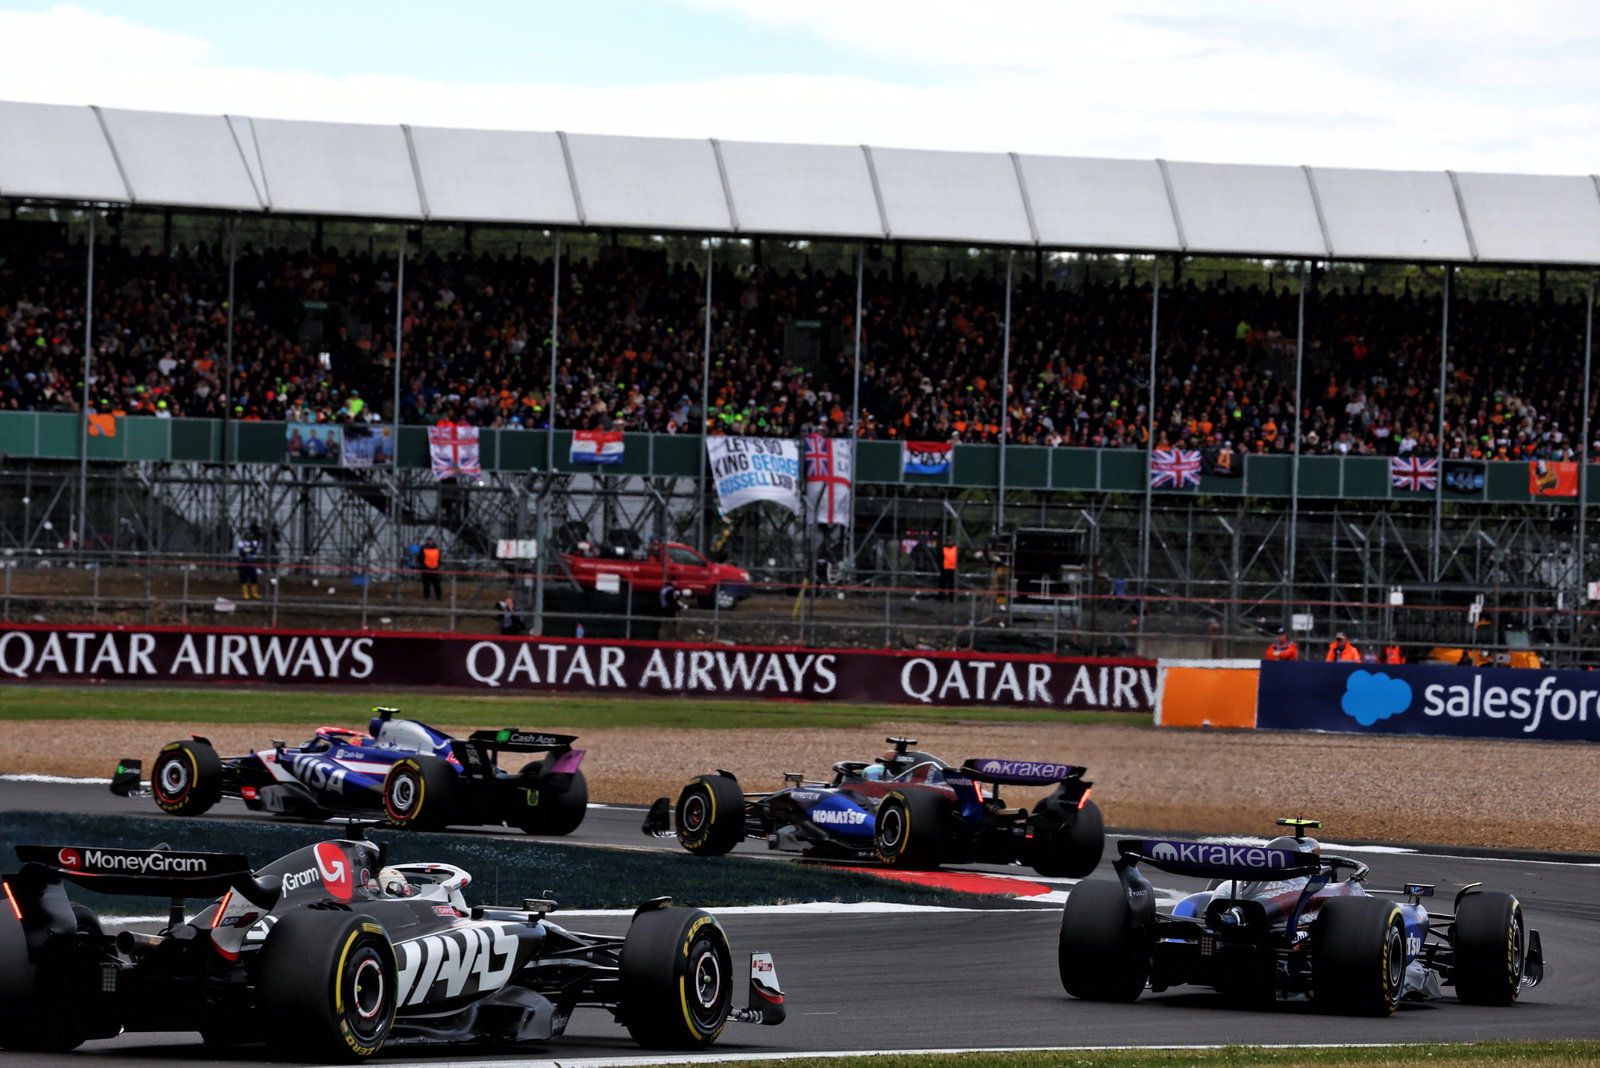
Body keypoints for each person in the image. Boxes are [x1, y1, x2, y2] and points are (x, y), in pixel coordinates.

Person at [236, 529, 262, 600]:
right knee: (243, 578)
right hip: (243, 562)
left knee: (254, 577)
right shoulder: (241, 542)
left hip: (252, 562)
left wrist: (247, 549)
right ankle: (245, 594)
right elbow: (241, 552)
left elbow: (254, 550)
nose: (249, 537)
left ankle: (254, 593)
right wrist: (249, 549)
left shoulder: (254, 542)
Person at [420, 536, 442, 600]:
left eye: (430, 540)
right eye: (428, 540)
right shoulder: (424, 549)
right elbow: (420, 558)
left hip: (434, 569)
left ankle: (438, 597)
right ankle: (427, 596)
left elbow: (438, 559)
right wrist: (423, 566)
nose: (430, 542)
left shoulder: (436, 549)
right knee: (426, 584)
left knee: (436, 584)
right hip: (426, 569)